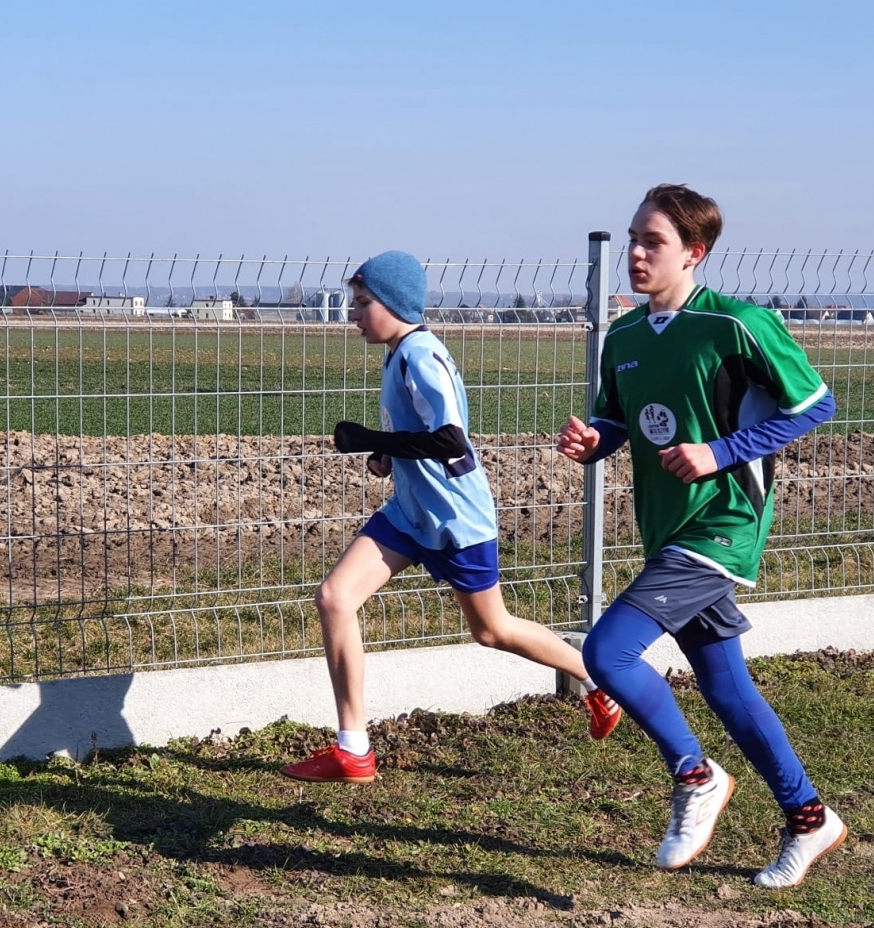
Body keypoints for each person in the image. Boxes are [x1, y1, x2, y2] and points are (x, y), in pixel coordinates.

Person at [556, 184, 843, 888]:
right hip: (669, 530)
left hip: (724, 524)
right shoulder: (622, 337)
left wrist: (721, 452)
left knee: (608, 651)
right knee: (727, 689)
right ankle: (810, 818)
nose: (635, 253)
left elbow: (816, 403)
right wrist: (593, 441)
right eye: (632, 239)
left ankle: (696, 774)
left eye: (652, 242)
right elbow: (619, 423)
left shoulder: (738, 325)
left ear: (695, 253)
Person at [283, 251, 620, 783]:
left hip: (456, 521)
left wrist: (373, 439)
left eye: (363, 302)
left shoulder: (422, 355)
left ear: (394, 304)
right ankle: (354, 749)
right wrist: (386, 456)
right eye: (354, 301)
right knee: (335, 597)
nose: (353, 312)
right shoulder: (398, 354)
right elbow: (418, 436)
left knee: (492, 630)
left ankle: (598, 681)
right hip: (408, 515)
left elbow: (450, 440)